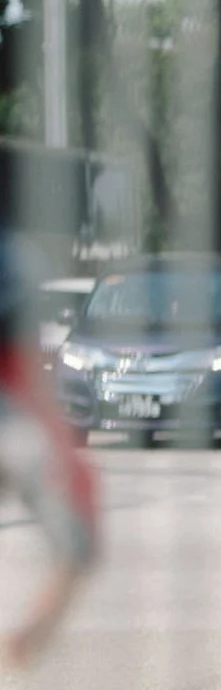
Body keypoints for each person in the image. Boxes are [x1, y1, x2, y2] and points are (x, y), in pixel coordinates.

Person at [0, 237, 98, 667]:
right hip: (19, 421)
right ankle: (24, 643)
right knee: (77, 546)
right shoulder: (20, 259)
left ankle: (25, 641)